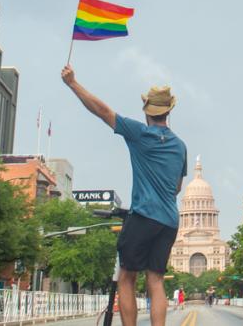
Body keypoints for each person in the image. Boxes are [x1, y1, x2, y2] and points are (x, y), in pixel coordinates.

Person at [62, 65, 187, 326]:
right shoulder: (180, 146)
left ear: (147, 111)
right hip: (169, 222)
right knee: (156, 280)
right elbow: (176, 188)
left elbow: (103, 111)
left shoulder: (139, 133)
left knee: (127, 276)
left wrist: (73, 83)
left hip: (143, 216)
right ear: (169, 111)